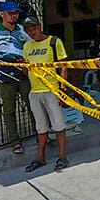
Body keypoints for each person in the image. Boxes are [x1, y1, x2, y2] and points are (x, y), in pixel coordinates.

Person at [0, 1, 32, 154]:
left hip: (23, 74)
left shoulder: (23, 30)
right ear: (2, 14)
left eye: (16, 12)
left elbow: (31, 50)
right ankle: (15, 141)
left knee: (32, 105)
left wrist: (27, 67)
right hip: (4, 75)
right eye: (10, 13)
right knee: (9, 110)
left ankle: (41, 135)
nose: (14, 15)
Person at [22, 17, 69, 173]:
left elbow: (63, 66)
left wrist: (62, 89)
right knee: (41, 128)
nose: (32, 31)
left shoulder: (54, 42)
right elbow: (26, 69)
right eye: (28, 29)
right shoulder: (27, 46)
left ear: (39, 26)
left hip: (52, 91)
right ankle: (40, 158)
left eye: (34, 28)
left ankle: (62, 157)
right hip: (35, 92)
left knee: (58, 125)